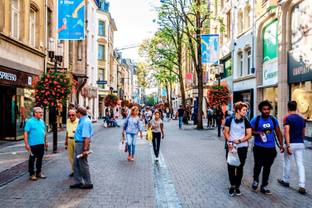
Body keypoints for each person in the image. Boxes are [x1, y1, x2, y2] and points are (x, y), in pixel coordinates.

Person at [250, 100, 284, 195]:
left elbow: (278, 132)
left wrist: (281, 145)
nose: (267, 111)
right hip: (259, 148)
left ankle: (264, 186)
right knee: (258, 166)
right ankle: (255, 179)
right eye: (264, 109)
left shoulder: (273, 119)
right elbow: (249, 131)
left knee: (267, 168)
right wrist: (257, 133)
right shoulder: (256, 120)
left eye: (268, 109)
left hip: (271, 148)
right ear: (261, 110)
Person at [277, 101, 306, 194]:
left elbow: (286, 132)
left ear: (288, 108)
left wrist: (288, 145)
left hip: (291, 144)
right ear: (296, 107)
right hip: (300, 143)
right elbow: (303, 133)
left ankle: (286, 181)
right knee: (300, 164)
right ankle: (302, 185)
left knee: (287, 162)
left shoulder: (288, 118)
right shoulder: (302, 119)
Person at [223, 102, 252, 196]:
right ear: (238, 110)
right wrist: (230, 142)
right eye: (244, 110)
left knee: (240, 167)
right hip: (231, 147)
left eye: (246, 110)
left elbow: (249, 134)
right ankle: (232, 185)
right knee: (231, 166)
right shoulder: (229, 119)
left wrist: (240, 140)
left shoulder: (246, 120)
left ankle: (237, 187)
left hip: (242, 147)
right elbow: (226, 132)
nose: (246, 112)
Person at [70, 106, 93, 189]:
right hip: (78, 143)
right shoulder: (82, 120)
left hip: (82, 144)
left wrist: (85, 149)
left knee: (83, 163)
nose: (76, 114)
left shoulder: (85, 122)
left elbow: (86, 137)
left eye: (76, 113)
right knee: (76, 164)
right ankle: (78, 181)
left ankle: (88, 182)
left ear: (79, 113)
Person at [24, 107, 48, 181]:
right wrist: (26, 144)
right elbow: (25, 133)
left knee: (40, 159)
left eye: (42, 112)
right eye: (40, 112)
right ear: (35, 113)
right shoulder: (29, 122)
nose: (41, 114)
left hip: (41, 144)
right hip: (33, 144)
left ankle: (38, 172)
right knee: (32, 159)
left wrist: (46, 141)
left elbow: (44, 132)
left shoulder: (42, 121)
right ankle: (31, 174)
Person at [65, 109, 79, 177]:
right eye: (69, 115)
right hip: (69, 139)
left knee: (77, 156)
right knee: (70, 157)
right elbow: (67, 131)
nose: (71, 116)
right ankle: (74, 170)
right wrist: (66, 140)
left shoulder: (79, 121)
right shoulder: (68, 121)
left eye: (72, 115)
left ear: (75, 115)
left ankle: (78, 170)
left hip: (76, 140)